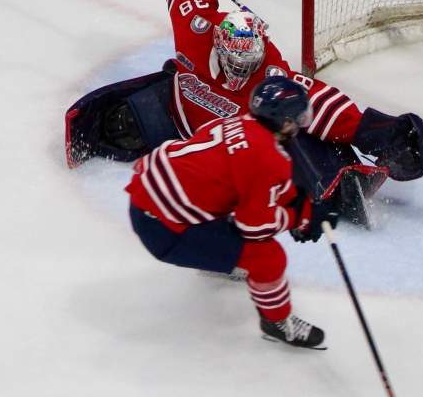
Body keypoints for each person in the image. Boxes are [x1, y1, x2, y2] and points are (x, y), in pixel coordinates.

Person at [66, 0, 423, 220]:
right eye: (235, 64)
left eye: (249, 63)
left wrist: (388, 133)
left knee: (292, 145)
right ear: (220, 46)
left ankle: (338, 176)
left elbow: (324, 106)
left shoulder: (272, 77)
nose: (242, 73)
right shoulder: (196, 28)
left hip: (231, 146)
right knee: (111, 127)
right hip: (173, 112)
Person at [127, 76, 332, 348]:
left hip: (148, 197)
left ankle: (222, 260)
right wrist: (301, 217)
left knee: (226, 203)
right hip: (164, 230)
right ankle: (277, 323)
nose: (300, 124)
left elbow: (249, 184)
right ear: (284, 122)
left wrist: (299, 203)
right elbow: (254, 227)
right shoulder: (267, 158)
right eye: (298, 118)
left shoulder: (237, 122)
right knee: (268, 258)